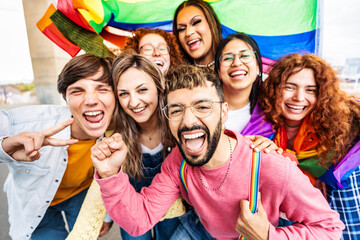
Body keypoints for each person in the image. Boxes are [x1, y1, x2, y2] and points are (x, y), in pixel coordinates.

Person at [92, 64, 344, 240]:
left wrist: (268, 236)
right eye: (177, 109)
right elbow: (139, 220)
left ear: (224, 113)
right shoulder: (177, 162)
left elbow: (330, 230)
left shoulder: (272, 167)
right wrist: (110, 173)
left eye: (202, 106)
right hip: (197, 230)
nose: (188, 121)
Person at [0, 54, 115, 240]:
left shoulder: (118, 129)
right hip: (34, 203)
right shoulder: (32, 121)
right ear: (65, 98)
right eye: (77, 91)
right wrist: (4, 147)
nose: (91, 100)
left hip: (81, 195)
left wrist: (107, 215)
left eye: (102, 88)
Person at [259, 53, 360, 239]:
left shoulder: (341, 142)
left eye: (310, 90)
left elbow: (352, 221)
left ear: (322, 95)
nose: (298, 97)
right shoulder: (262, 128)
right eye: (290, 87)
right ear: (274, 90)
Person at [108, 53, 182, 239]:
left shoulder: (179, 125)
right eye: (124, 94)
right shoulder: (113, 134)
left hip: (173, 207)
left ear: (159, 87)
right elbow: (109, 183)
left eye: (142, 90)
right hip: (131, 209)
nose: (133, 102)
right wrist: (108, 217)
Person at [214, 32, 274, 140]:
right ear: (218, 71)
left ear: (258, 67)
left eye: (245, 55)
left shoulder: (271, 112)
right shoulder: (202, 108)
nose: (236, 63)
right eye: (227, 58)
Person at [172, 0, 222, 68]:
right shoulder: (176, 75)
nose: (188, 33)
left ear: (212, 23)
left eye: (196, 22)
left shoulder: (235, 63)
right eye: (181, 29)